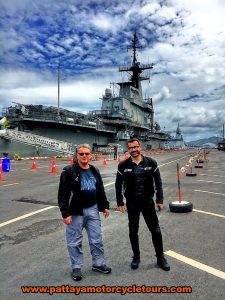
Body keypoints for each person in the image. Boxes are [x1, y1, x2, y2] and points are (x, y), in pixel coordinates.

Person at [58, 144, 112, 281]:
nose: (84, 156)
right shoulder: (69, 171)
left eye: (86, 154)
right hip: (76, 211)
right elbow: (63, 193)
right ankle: (76, 267)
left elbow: (100, 190)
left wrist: (105, 206)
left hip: (93, 209)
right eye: (81, 154)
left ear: (90, 155)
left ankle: (98, 264)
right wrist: (65, 213)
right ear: (77, 155)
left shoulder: (94, 170)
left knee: (96, 239)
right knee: (74, 240)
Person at [115, 138, 170, 271]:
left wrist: (160, 200)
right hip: (132, 203)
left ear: (140, 147)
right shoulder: (123, 165)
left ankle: (160, 258)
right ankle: (136, 257)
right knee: (133, 231)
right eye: (131, 148)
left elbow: (158, 182)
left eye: (135, 147)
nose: (133, 150)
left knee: (155, 230)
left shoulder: (151, 163)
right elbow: (118, 185)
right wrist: (120, 202)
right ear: (128, 149)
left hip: (148, 202)